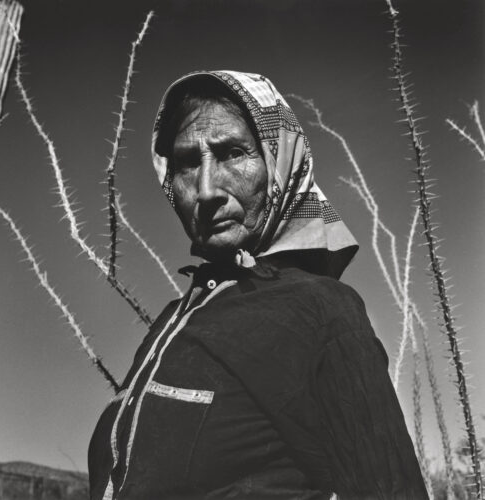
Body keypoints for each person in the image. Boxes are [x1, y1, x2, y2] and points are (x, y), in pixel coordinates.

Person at [88, 70, 429, 499]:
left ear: (279, 164)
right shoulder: (174, 322)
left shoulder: (321, 311)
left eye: (233, 153)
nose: (206, 191)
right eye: (187, 163)